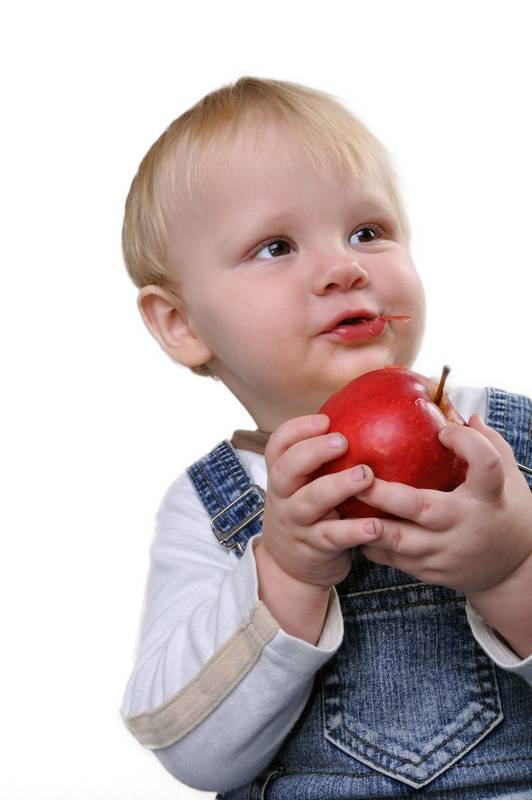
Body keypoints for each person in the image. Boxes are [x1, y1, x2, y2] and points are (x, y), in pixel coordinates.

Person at [119, 77, 532, 798]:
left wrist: (512, 570)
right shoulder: (209, 511)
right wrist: (284, 576)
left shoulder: (505, 444)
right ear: (181, 323)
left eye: (367, 232)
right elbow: (189, 750)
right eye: (276, 246)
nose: (346, 266)